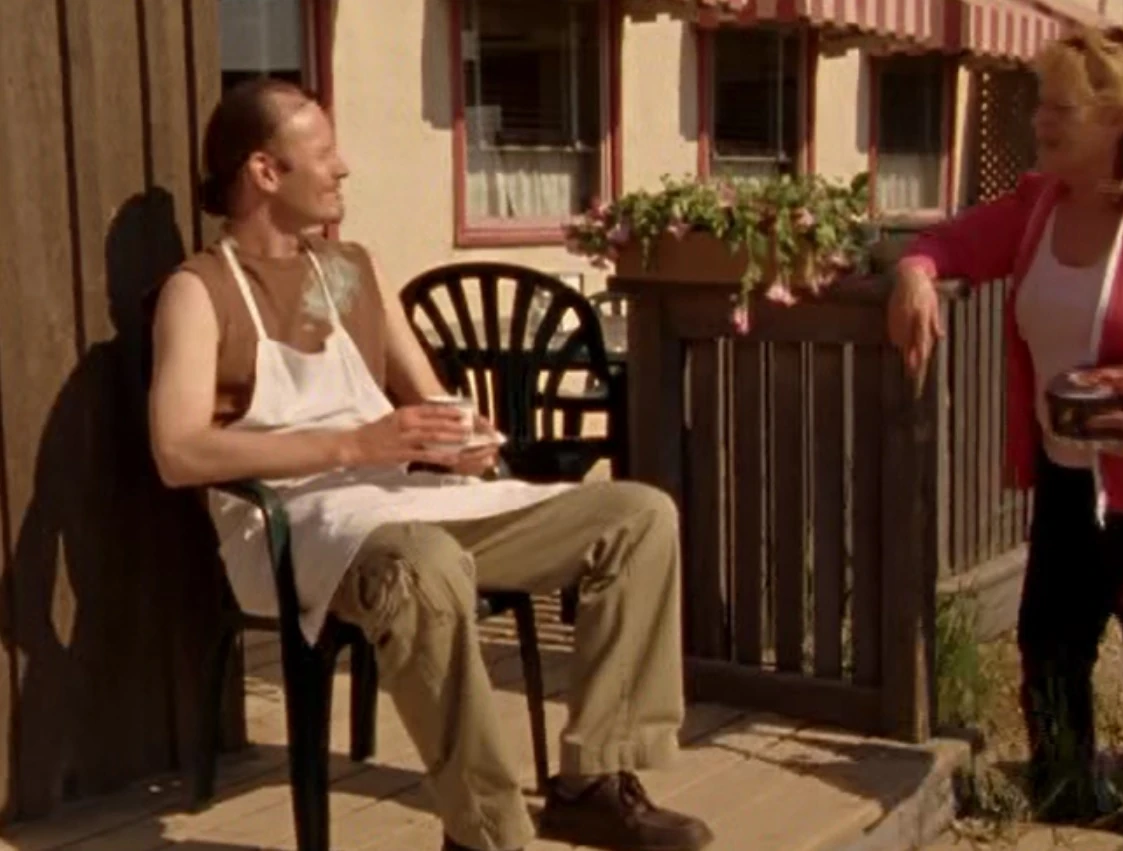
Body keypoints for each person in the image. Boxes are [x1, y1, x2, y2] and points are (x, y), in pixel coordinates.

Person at [147, 78, 714, 851]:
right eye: (324, 152)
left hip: (403, 505)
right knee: (423, 567)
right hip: (295, 529)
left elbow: (430, 397)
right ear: (265, 172)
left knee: (638, 517)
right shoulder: (199, 291)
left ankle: (591, 783)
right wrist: (354, 445)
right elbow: (178, 451)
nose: (343, 167)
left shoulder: (348, 271)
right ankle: (486, 830)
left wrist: (464, 437)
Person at [886, 26, 1123, 851]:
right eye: (1042, 104)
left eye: (1059, 108)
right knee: (1051, 653)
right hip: (1068, 476)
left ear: (1116, 118)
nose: (1039, 120)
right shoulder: (1041, 202)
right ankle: (1071, 818)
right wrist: (916, 273)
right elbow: (949, 241)